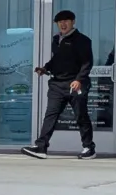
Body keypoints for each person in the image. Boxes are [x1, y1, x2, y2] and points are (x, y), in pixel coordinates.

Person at [22, 9, 96, 160]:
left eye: (66, 21)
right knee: (51, 115)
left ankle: (89, 148)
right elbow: (56, 59)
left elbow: (87, 63)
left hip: (76, 84)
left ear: (73, 22)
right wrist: (45, 68)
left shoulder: (82, 40)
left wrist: (79, 80)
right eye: (59, 22)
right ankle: (41, 147)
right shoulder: (56, 39)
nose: (63, 24)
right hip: (57, 84)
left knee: (81, 116)